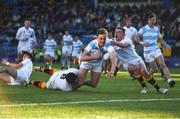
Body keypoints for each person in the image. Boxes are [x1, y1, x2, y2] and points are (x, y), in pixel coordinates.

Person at [111, 27, 168, 94]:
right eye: (116, 32)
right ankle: (144, 87)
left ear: (124, 34)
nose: (116, 33)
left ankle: (158, 88)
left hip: (136, 59)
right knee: (135, 69)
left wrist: (115, 43)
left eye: (119, 32)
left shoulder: (127, 40)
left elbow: (124, 45)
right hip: (126, 63)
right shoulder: (112, 41)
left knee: (144, 72)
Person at [134, 12, 175, 87]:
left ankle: (170, 80)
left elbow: (160, 40)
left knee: (162, 64)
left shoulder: (156, 29)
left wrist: (166, 45)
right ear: (148, 20)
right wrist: (142, 43)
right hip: (147, 52)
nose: (152, 21)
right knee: (155, 69)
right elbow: (135, 38)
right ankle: (149, 75)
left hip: (156, 49)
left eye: (154, 20)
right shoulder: (143, 29)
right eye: (151, 20)